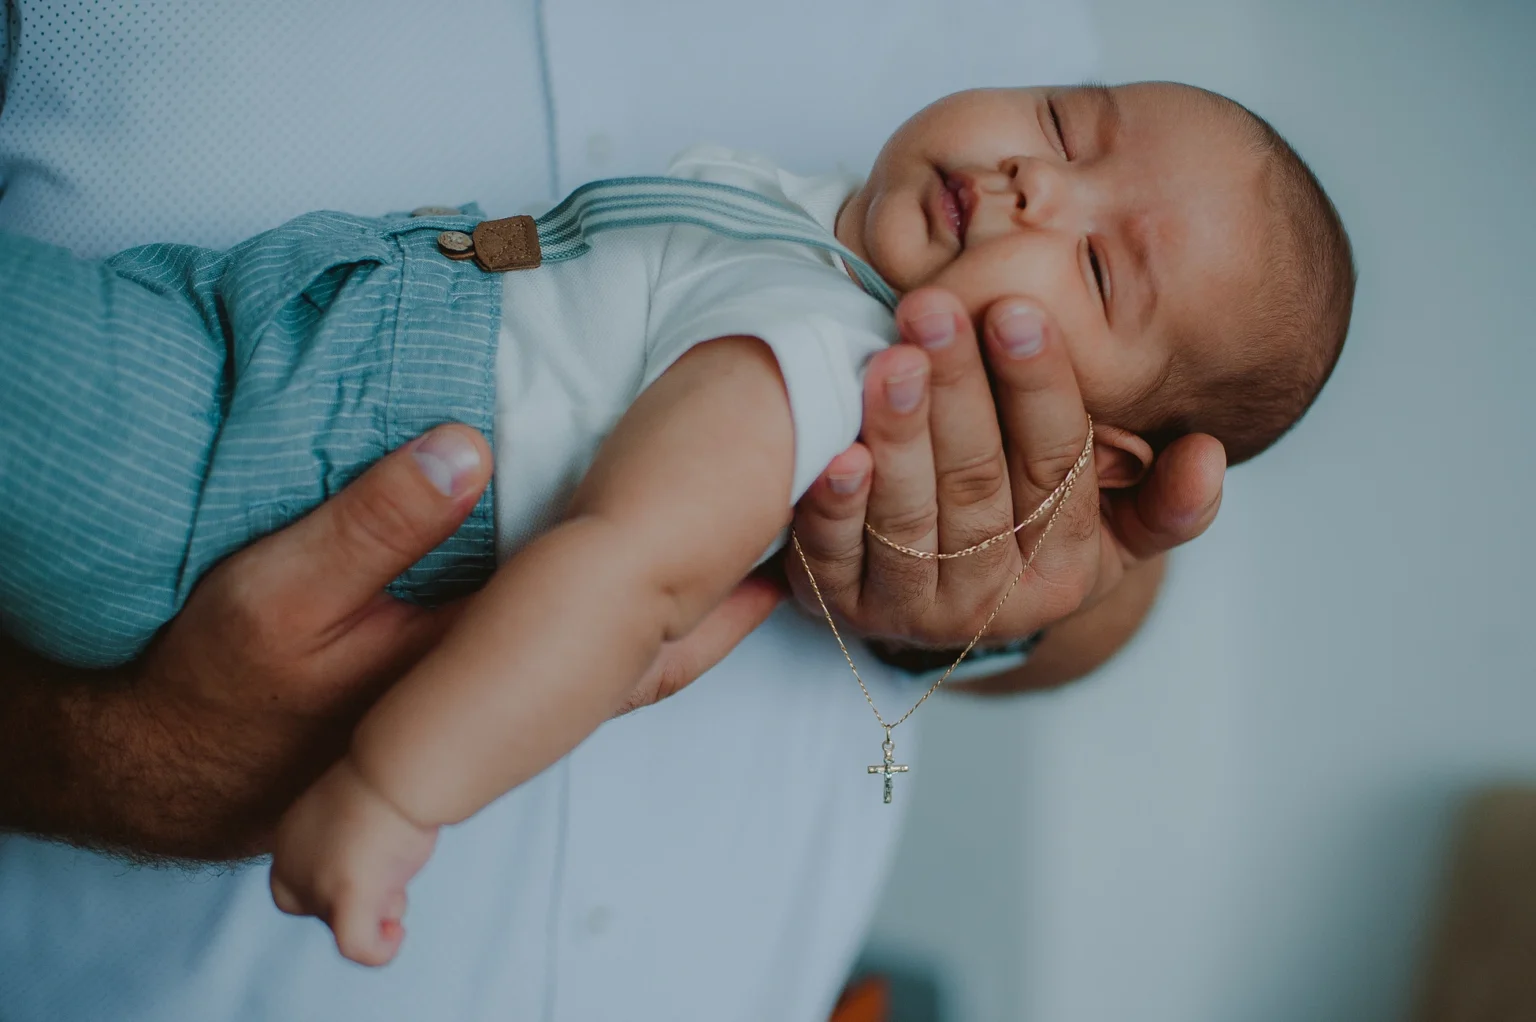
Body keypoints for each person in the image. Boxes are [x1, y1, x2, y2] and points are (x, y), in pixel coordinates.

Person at [0, 2, 1226, 1019]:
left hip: (224, 468)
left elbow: (626, 570)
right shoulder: (807, 224)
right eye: (1067, 126)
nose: (1037, 182)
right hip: (257, 351)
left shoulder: (810, 352)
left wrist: (392, 788)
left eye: (1102, 267)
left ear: (1108, 459)